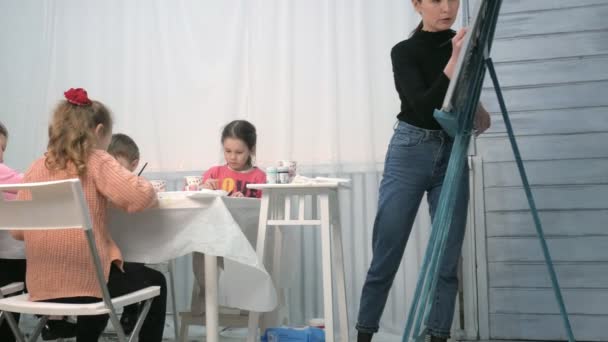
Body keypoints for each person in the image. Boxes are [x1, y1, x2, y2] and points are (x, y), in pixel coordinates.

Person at [356, 1, 491, 341]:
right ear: (417, 5)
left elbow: (463, 104)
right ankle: (364, 334)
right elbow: (421, 106)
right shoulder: (404, 51)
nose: (446, 7)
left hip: (451, 150)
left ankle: (438, 334)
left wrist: (477, 106)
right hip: (410, 150)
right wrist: (455, 60)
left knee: (448, 256)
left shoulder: (463, 45)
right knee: (387, 250)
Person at [10, 88, 167, 341]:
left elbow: (18, 232)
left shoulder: (36, 166)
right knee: (155, 281)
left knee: (98, 277)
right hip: (89, 287)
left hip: (40, 287)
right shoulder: (96, 160)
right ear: (98, 131)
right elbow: (141, 197)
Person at [201, 120, 266, 198]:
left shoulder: (261, 178)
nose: (232, 157)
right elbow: (189, 198)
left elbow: (266, 207)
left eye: (239, 152)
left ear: (252, 150)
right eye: (228, 151)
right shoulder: (213, 173)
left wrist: (246, 203)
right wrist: (203, 190)